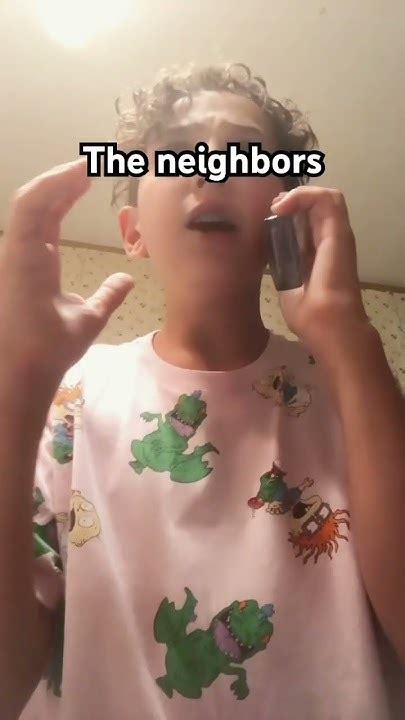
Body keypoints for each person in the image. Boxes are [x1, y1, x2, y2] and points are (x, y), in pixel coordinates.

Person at [0, 63, 404, 720]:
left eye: (244, 153)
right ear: (133, 231)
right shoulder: (71, 391)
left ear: (286, 221)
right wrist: (16, 385)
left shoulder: (352, 389)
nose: (210, 169)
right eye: (177, 152)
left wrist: (353, 340)